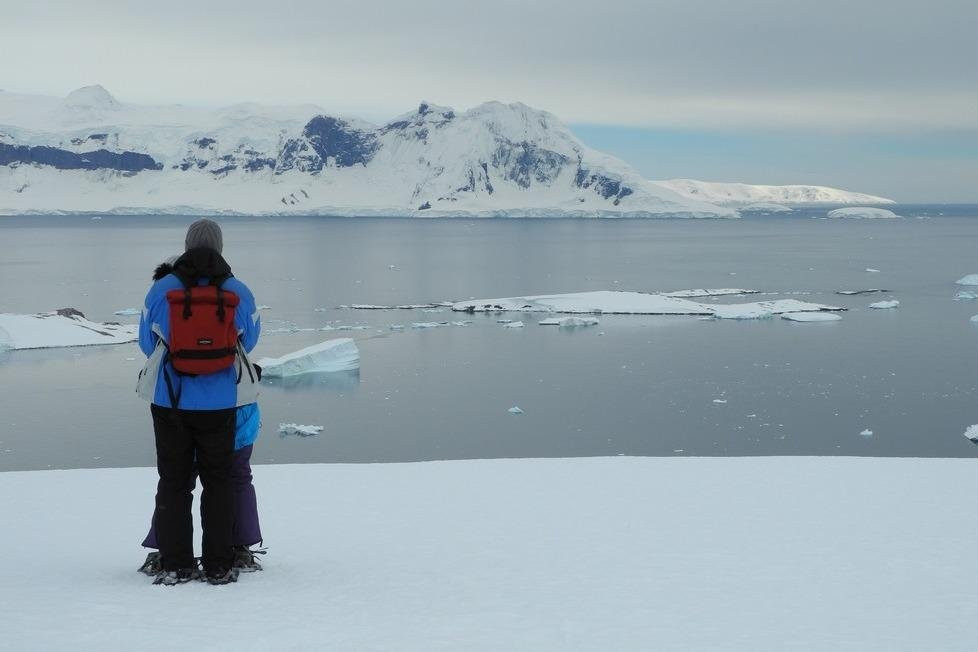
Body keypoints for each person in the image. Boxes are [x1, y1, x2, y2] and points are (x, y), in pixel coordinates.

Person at [136, 219, 261, 585]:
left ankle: (176, 565)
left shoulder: (162, 289)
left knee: (174, 482)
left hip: (170, 400)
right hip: (221, 401)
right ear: (220, 247)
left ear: (187, 246)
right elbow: (250, 340)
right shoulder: (237, 290)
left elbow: (146, 342)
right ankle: (219, 565)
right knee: (218, 481)